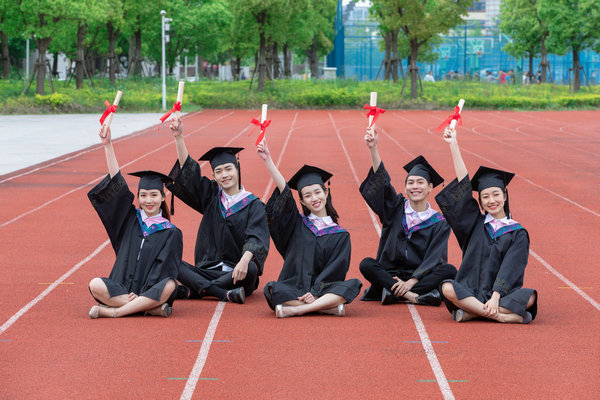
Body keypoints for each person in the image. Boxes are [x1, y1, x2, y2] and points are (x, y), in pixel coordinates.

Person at [435, 126, 538, 323]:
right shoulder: (475, 224)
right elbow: (464, 189)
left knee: (531, 297)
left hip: (501, 295)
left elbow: (512, 267)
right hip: (470, 290)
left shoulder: (517, 233)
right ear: (480, 201)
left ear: (505, 195)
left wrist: (496, 295)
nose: (492, 200)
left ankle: (473, 312)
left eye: (496, 194)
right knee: (447, 287)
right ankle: (502, 317)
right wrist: (454, 145)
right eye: (485, 196)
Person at [166, 117, 270, 304]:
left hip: (237, 271)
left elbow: (257, 237)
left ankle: (197, 289)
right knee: (169, 259)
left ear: (237, 169)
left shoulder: (254, 205)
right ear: (213, 175)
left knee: (252, 269)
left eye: (228, 169)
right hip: (208, 268)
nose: (225, 175)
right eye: (219, 171)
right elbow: (190, 176)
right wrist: (179, 137)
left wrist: (244, 261)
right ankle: (220, 292)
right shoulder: (212, 197)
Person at [257, 139, 362, 318]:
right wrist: (268, 161)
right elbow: (285, 195)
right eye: (307, 195)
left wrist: (315, 292)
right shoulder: (297, 224)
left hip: (323, 289)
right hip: (294, 286)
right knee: (272, 289)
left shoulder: (340, 235)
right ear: (302, 201)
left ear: (326, 193)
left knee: (353, 284)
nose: (314, 198)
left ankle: (298, 309)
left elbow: (336, 270)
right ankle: (327, 307)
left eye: (317, 192)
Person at [88, 126, 182, 318]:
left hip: (150, 289)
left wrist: (145, 291)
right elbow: (117, 184)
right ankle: (148, 308)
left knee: (170, 285)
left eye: (154, 195)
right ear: (138, 197)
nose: (149, 200)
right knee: (95, 284)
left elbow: (165, 269)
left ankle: (114, 312)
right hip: (122, 286)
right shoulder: (130, 219)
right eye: (144, 195)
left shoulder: (171, 232)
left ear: (163, 197)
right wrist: (108, 145)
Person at [358, 128, 456, 306]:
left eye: (420, 182)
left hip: (418, 277)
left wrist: (412, 281)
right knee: (366, 264)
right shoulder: (395, 208)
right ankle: (413, 297)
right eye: (410, 182)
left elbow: (435, 257)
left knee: (449, 270)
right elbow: (382, 183)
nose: (415, 186)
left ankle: (392, 291)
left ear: (430, 187)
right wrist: (373, 149)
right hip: (389, 272)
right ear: (405, 188)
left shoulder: (439, 222)